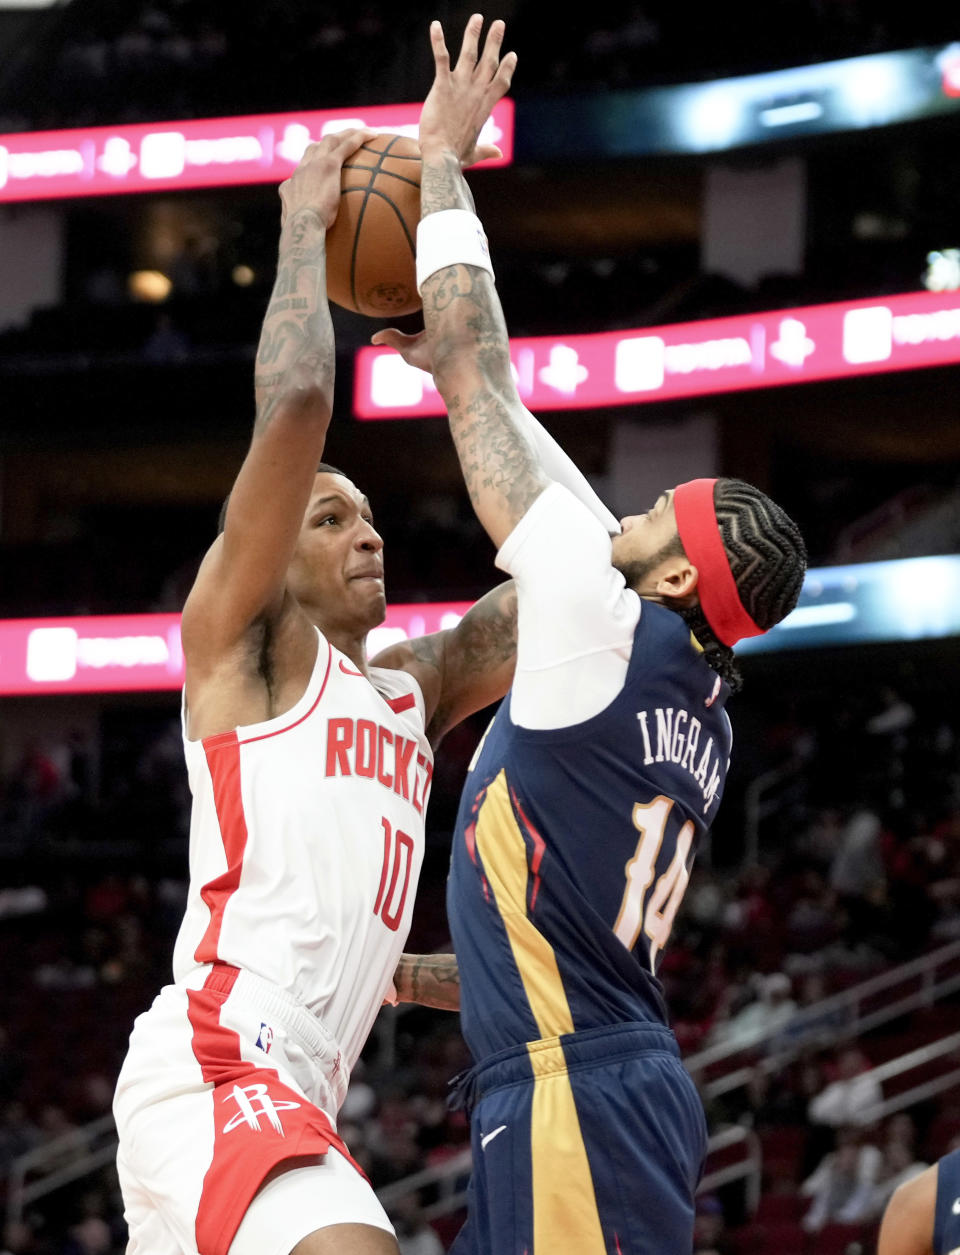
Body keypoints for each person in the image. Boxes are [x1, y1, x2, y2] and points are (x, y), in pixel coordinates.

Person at [112, 121, 618, 1255]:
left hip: (289, 1086)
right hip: (219, 1063)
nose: (366, 532)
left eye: (372, 517)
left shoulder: (410, 688)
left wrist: (470, 380)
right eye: (331, 516)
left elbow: (589, 565)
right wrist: (301, 222)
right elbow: (296, 404)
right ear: (271, 550)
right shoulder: (240, 643)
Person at [378, 15, 807, 1253]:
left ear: (673, 568)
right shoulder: (671, 679)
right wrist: (405, 977)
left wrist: (441, 165)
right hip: (585, 1077)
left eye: (661, 508)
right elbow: (569, 958)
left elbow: (479, 367)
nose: (633, 503)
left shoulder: (602, 630)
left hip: (579, 1099)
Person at [877, 1144, 960, 1255]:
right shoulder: (916, 1193)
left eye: (897, 1152)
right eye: (891, 1153)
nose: (894, 1157)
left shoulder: (918, 1178)